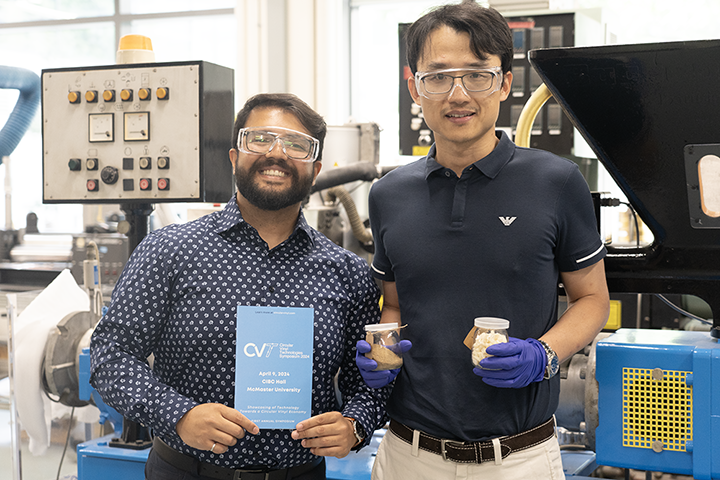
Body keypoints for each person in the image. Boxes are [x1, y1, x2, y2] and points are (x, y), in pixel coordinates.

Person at [356, 3, 610, 479]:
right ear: (414, 86)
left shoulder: (555, 181)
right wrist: (381, 352)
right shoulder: (388, 194)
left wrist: (545, 355)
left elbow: (592, 299)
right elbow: (394, 304)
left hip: (521, 458)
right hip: (408, 454)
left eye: (477, 75)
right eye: (438, 77)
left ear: (505, 84)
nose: (458, 94)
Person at [90, 92, 390, 480]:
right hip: (186, 471)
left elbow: (370, 381)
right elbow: (110, 356)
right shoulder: (170, 251)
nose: (277, 153)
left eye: (296, 145)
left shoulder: (348, 273)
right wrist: (178, 415)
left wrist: (355, 425)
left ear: (315, 171)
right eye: (260, 139)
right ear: (234, 157)